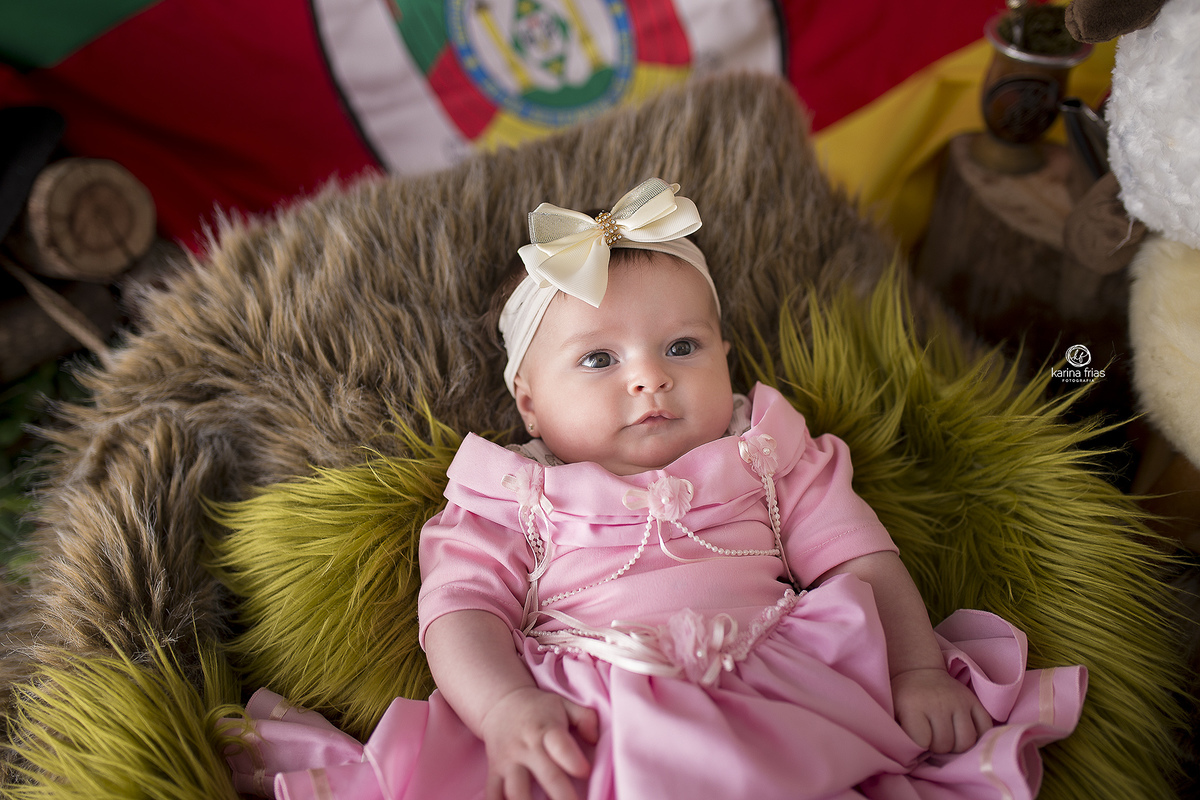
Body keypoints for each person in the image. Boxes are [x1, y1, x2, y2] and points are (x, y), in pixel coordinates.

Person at [224, 178, 1086, 800]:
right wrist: (506, 709)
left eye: (683, 348)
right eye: (599, 360)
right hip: (592, 712)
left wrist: (915, 668)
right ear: (529, 400)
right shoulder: (512, 493)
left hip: (781, 691)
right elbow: (459, 615)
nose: (650, 380)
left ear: (725, 360)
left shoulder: (766, 452)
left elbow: (862, 559)